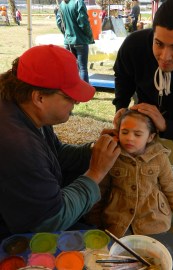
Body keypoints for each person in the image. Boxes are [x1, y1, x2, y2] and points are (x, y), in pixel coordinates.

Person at [0, 44, 121, 241]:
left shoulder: (23, 105)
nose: (77, 102)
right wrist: (96, 173)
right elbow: (48, 221)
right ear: (39, 97)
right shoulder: (17, 145)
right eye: (69, 97)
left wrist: (93, 150)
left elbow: (54, 152)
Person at [113, 0, 173, 220]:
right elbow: (122, 75)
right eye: (159, 43)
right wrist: (121, 105)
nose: (164, 57)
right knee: (142, 174)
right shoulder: (134, 45)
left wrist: (168, 127)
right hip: (144, 123)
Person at [85, 110, 173, 237]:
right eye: (124, 132)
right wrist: (94, 221)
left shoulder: (160, 157)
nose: (129, 138)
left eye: (138, 134)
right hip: (117, 221)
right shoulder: (112, 155)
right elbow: (100, 189)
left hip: (154, 221)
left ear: (150, 137)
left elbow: (172, 189)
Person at [54, 0, 94, 83]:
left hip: (68, 41)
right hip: (80, 40)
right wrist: (90, 36)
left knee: (72, 69)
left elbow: (59, 22)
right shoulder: (78, 2)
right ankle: (83, 94)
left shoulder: (62, 4)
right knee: (82, 69)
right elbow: (83, 22)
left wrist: (66, 33)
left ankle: (72, 91)